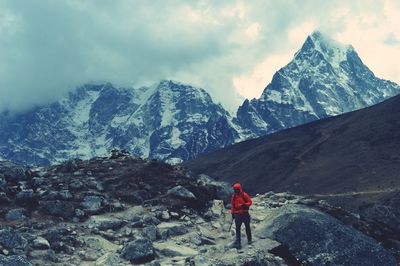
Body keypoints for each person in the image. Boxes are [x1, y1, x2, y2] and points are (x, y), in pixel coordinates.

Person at [230, 183, 252, 249]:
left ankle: (249, 240)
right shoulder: (234, 196)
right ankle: (238, 244)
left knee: (247, 227)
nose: (236, 191)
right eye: (235, 189)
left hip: (244, 213)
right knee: (238, 229)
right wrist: (232, 213)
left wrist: (245, 205)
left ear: (239, 189)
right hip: (238, 214)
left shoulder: (244, 195)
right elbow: (233, 206)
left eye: (237, 189)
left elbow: (250, 202)